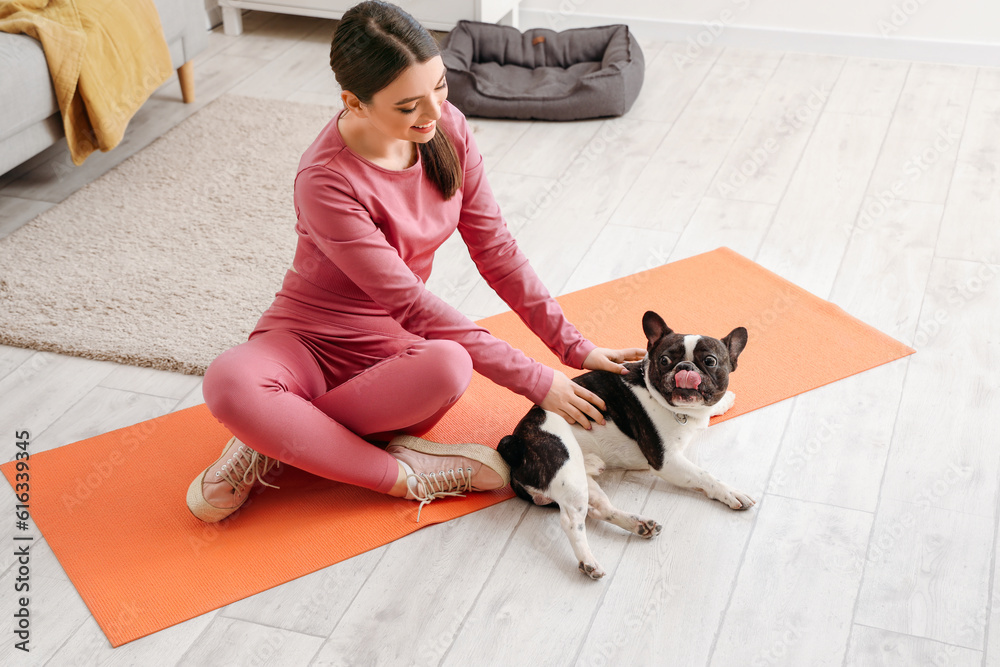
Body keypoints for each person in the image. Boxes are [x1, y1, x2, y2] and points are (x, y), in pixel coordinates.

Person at [186, 0, 645, 523]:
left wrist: (574, 347)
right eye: (408, 106)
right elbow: (411, 303)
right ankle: (403, 476)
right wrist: (538, 381)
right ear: (354, 103)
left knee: (451, 363)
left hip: (391, 356)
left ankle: (277, 437)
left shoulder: (447, 127)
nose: (433, 112)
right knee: (228, 382)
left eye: (440, 86)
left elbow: (496, 251)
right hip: (305, 344)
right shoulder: (325, 179)